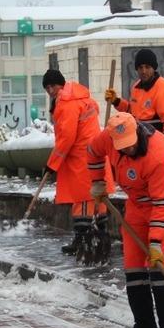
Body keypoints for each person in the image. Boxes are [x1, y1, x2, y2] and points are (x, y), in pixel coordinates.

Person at [88, 112, 164, 328]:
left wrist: (155, 242)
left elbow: (163, 204)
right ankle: (144, 326)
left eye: (131, 144)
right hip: (137, 201)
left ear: (137, 133)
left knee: (159, 261)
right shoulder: (108, 138)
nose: (128, 149)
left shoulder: (158, 153)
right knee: (134, 263)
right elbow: (92, 152)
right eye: (122, 147)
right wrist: (97, 182)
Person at [41, 68, 113, 258]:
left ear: (61, 85)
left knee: (82, 199)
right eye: (47, 87)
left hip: (81, 159)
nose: (50, 90)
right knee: (98, 198)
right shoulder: (83, 98)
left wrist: (52, 164)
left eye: (53, 86)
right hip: (96, 154)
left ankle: (83, 240)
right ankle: (101, 237)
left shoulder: (66, 104)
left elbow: (66, 138)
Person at [105, 49, 164, 145]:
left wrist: (163, 145)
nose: (143, 71)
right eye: (140, 67)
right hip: (142, 142)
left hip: (159, 143)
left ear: (154, 68)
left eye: (147, 67)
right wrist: (116, 101)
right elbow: (133, 112)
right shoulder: (136, 87)